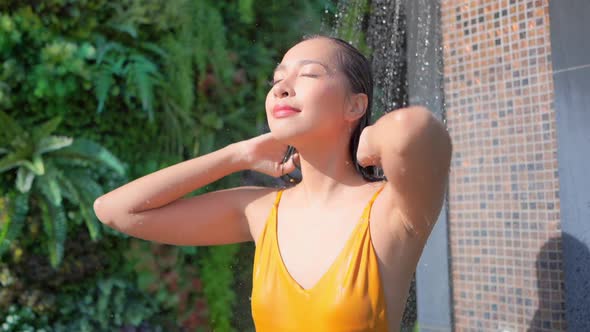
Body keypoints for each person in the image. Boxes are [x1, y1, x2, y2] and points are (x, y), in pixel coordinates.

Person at [93, 35, 452, 332]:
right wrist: (238, 154)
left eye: (309, 74)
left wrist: (367, 144)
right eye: (277, 80)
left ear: (355, 105)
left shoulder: (391, 210)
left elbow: (412, 129)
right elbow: (115, 210)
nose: (282, 88)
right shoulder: (260, 211)